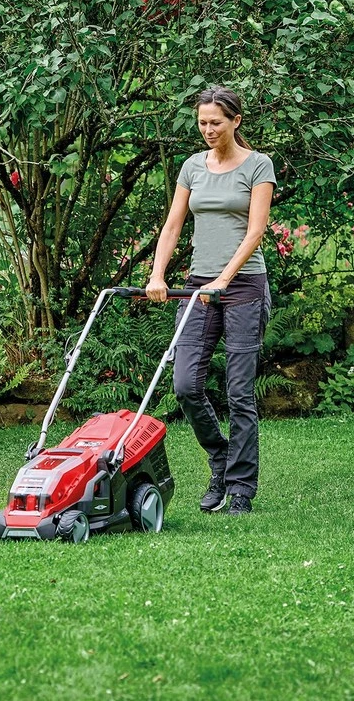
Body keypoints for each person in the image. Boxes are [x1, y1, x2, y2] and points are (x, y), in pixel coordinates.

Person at [146, 86, 276, 515]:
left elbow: (256, 230)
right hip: (198, 288)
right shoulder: (191, 167)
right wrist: (157, 274)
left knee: (240, 392)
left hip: (243, 288)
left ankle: (240, 487)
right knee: (185, 385)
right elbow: (172, 227)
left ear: (236, 121)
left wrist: (225, 278)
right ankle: (220, 458)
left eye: (215, 122)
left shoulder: (258, 166)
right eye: (202, 122)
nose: (207, 130)